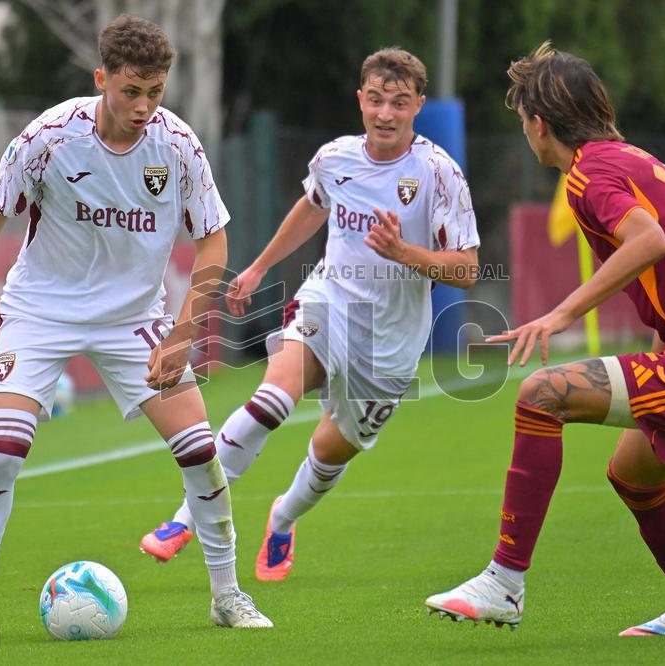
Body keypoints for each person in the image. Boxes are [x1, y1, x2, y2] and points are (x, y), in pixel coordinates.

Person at [0, 15, 271, 629]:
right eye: (131, 90)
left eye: (155, 92)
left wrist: (183, 335)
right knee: (3, 451)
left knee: (200, 453)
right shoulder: (49, 135)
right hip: (40, 312)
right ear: (101, 77)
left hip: (132, 318)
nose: (143, 106)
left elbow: (213, 242)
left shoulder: (178, 146)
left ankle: (227, 597)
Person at [425, 42, 665, 636]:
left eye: (522, 122)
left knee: (542, 393)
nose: (525, 134)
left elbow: (650, 240)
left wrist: (560, 314)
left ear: (539, 124)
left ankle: (504, 582)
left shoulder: (589, 174)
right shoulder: (622, 157)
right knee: (634, 475)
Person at [139, 47, 480, 582]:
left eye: (398, 102)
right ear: (359, 100)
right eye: (375, 100)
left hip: (391, 343)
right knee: (272, 399)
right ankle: (187, 518)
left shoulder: (439, 173)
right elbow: (313, 205)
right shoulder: (335, 157)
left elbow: (467, 270)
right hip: (329, 302)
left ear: (417, 105)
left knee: (329, 451)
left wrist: (404, 254)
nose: (384, 113)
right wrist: (257, 268)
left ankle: (282, 517)